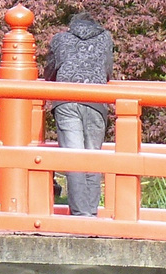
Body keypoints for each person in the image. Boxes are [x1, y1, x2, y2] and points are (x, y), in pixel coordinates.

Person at [44, 12, 114, 217]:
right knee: (92, 156)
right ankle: (91, 212)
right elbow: (107, 71)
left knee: (73, 157)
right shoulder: (105, 38)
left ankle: (80, 214)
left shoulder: (60, 39)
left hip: (66, 101)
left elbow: (49, 72)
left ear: (72, 25)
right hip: (96, 101)